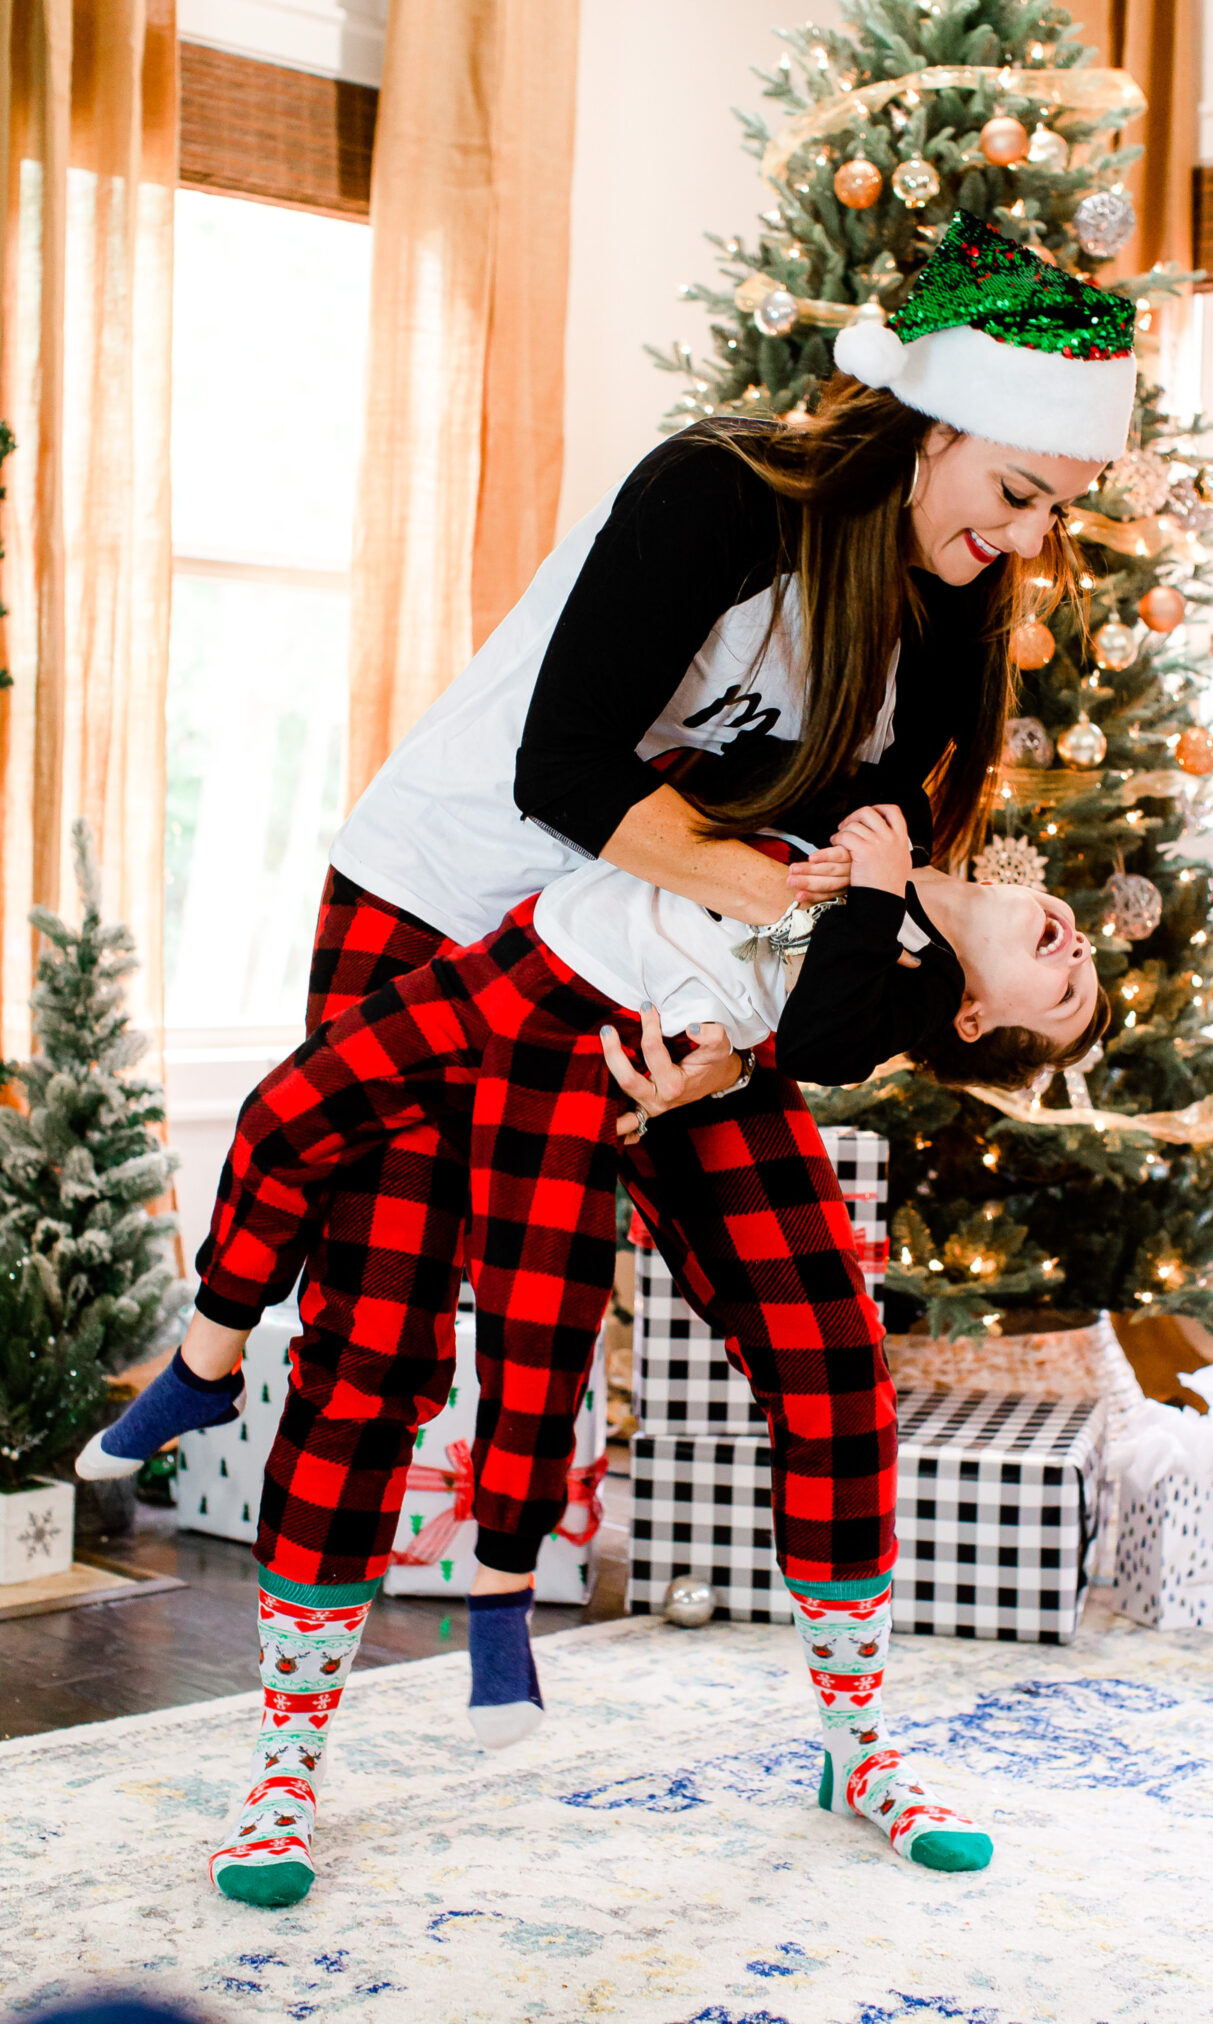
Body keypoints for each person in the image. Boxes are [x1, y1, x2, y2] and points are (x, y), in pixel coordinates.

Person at [83, 799, 1105, 1906]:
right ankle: (284, 1766)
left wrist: (731, 1047)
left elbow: (810, 997)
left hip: (685, 1007)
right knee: (367, 1349)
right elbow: (571, 763)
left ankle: (856, 1747)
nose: (1082, 945)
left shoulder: (888, 909)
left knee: (829, 1363)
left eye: (1072, 983)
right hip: (468, 927)